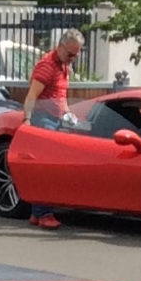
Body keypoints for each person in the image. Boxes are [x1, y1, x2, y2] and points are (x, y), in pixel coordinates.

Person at [22, 30, 84, 229]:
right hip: (44, 120)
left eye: (77, 54)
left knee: (48, 167)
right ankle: (44, 213)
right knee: (46, 168)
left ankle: (37, 212)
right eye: (71, 54)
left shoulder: (63, 66)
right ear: (60, 47)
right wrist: (27, 120)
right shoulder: (47, 66)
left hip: (55, 119)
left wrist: (68, 116)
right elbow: (32, 95)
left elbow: (61, 97)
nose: (74, 58)